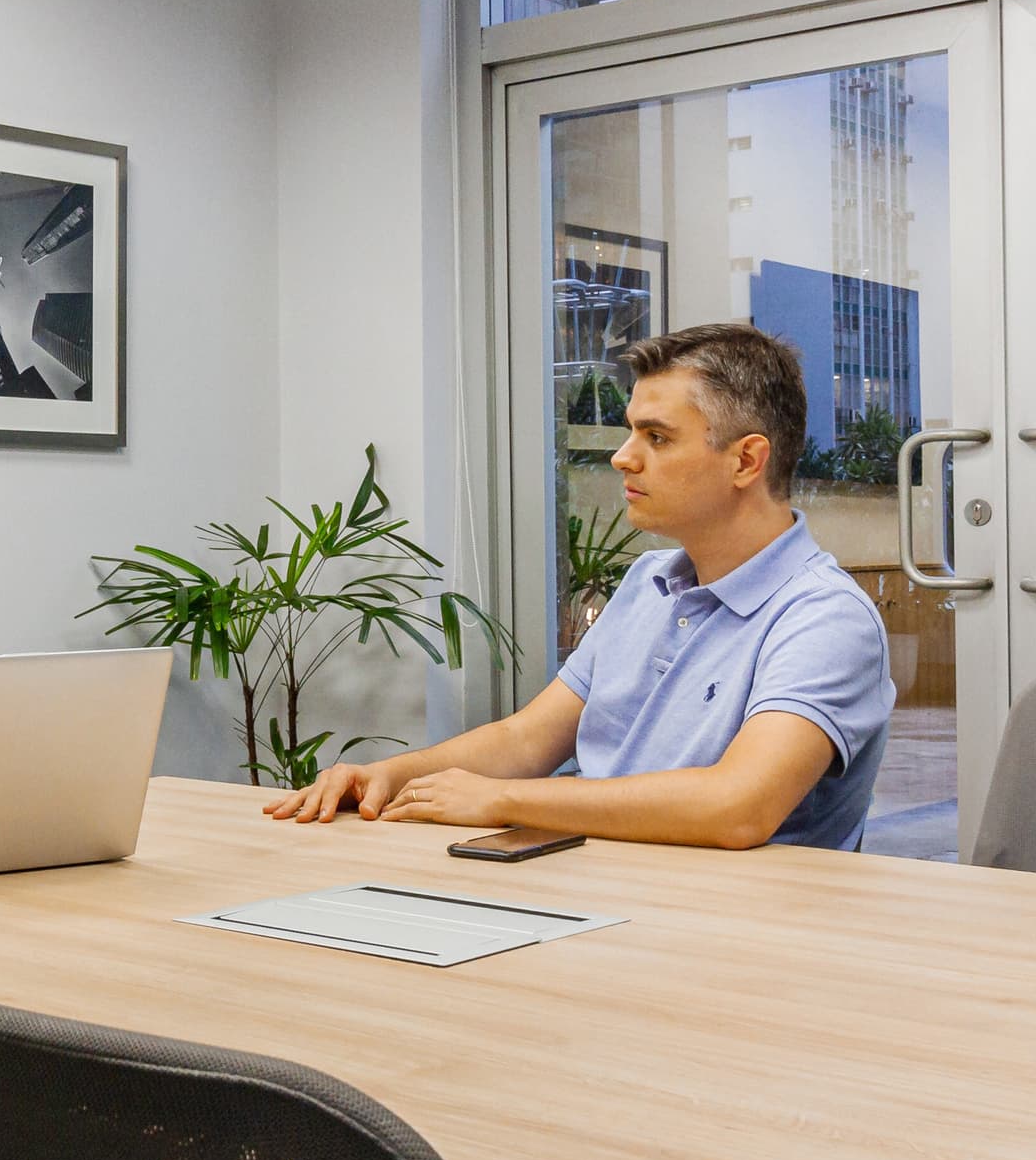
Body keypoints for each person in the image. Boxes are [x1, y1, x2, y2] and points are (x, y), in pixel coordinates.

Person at [267, 322, 894, 850]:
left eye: (656, 437)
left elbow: (739, 807)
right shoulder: (647, 582)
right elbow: (525, 740)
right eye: (631, 431)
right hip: (599, 891)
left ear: (746, 460)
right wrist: (385, 776)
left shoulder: (824, 617)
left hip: (731, 927)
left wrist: (502, 800)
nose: (623, 456)